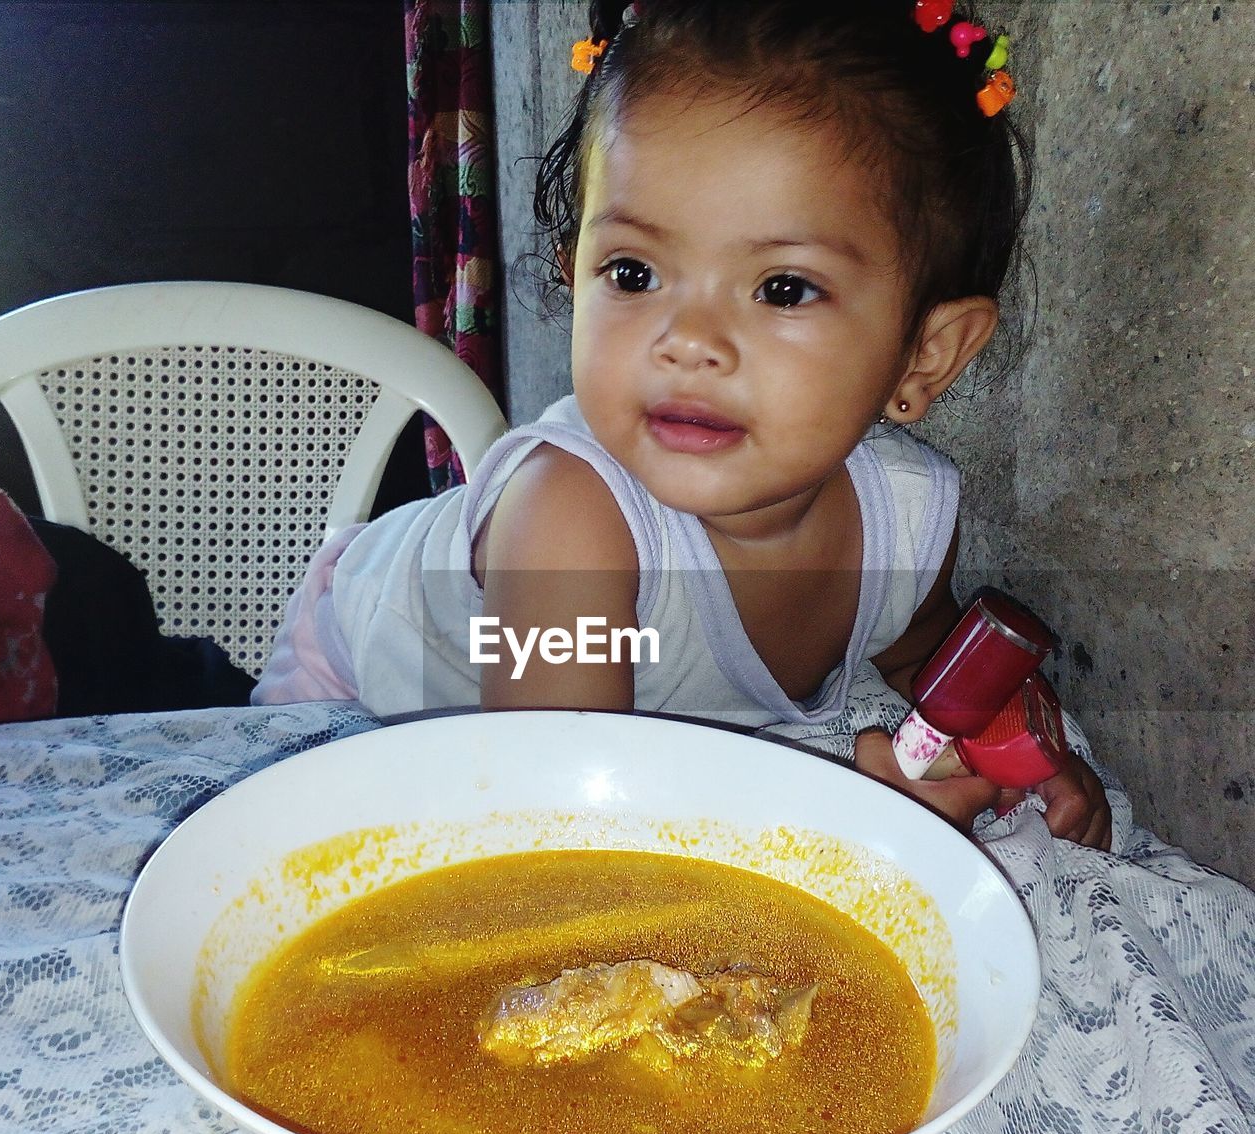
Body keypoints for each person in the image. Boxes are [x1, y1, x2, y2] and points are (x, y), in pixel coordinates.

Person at [255, 0, 1111, 848]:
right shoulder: (573, 521)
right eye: (632, 273)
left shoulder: (908, 516)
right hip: (360, 696)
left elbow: (923, 660)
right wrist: (875, 834)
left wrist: (1015, 741)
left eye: (783, 288)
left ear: (925, 354)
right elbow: (557, 826)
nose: (687, 342)